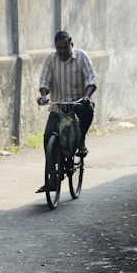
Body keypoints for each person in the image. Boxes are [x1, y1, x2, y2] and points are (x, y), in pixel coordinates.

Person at [36, 31, 97, 193]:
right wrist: (43, 96)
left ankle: (81, 140)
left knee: (88, 109)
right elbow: (44, 81)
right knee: (48, 137)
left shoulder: (82, 57)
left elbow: (91, 80)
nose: (62, 51)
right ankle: (53, 178)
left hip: (77, 105)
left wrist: (86, 96)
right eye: (59, 48)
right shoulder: (51, 59)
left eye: (65, 47)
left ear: (72, 45)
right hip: (58, 106)